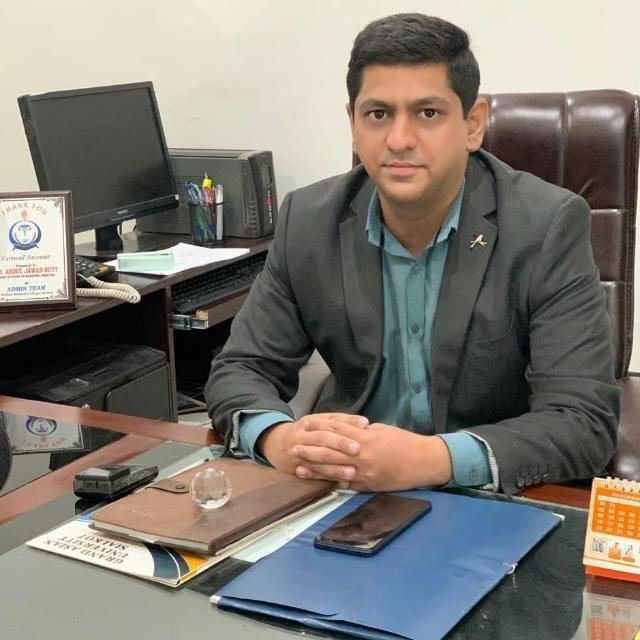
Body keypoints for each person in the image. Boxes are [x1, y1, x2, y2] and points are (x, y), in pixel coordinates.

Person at [205, 12, 619, 495]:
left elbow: (581, 420)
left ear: (472, 124)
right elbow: (241, 368)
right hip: (345, 493)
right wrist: (279, 439)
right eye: (378, 114)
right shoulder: (309, 220)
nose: (399, 140)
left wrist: (432, 459)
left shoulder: (546, 226)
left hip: (487, 498)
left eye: (427, 113)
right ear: (353, 123)